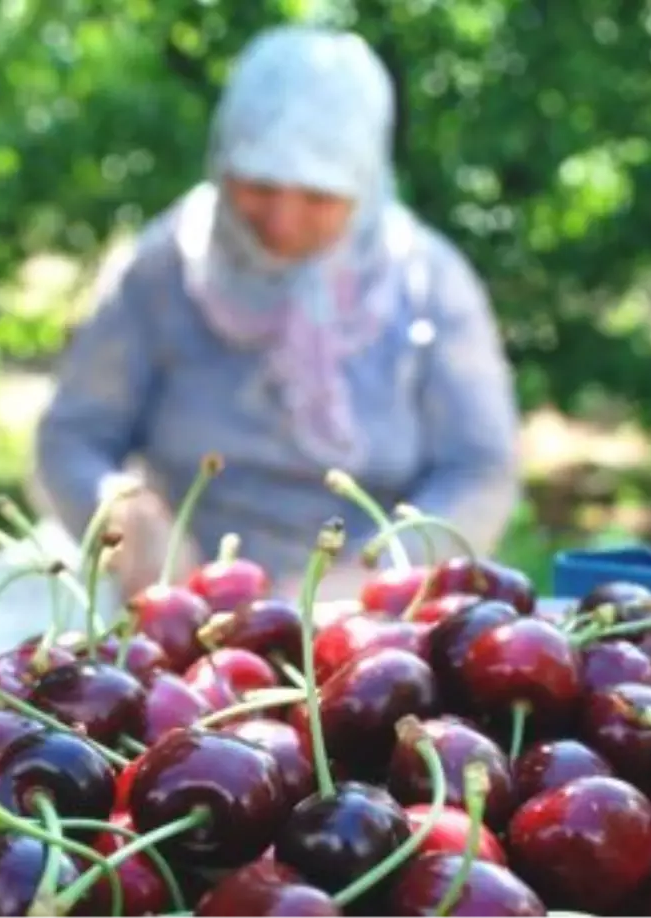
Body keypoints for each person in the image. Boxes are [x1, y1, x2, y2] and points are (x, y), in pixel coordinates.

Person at [34, 24, 522, 603]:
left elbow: (481, 470)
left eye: (319, 196)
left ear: (366, 187)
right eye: (259, 185)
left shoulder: (427, 282)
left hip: (374, 622)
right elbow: (70, 438)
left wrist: (377, 577)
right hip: (183, 601)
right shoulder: (163, 268)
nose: (282, 220)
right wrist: (120, 511)